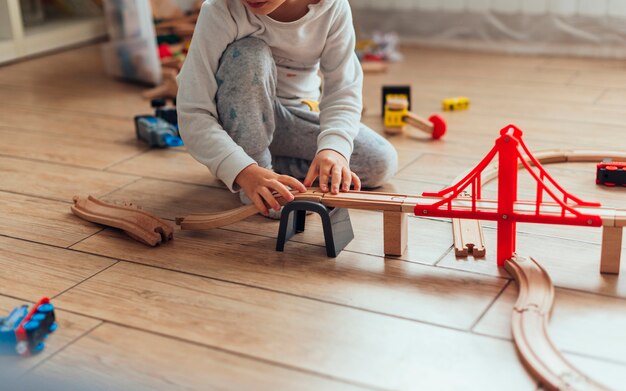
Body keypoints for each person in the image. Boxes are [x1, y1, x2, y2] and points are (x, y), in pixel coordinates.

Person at [177, 0, 398, 217]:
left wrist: (333, 149)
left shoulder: (333, 7)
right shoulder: (220, 10)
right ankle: (252, 169)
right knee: (248, 53)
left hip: (293, 118)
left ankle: (247, 168)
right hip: (239, 123)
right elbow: (193, 112)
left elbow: (343, 91)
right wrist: (246, 170)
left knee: (379, 162)